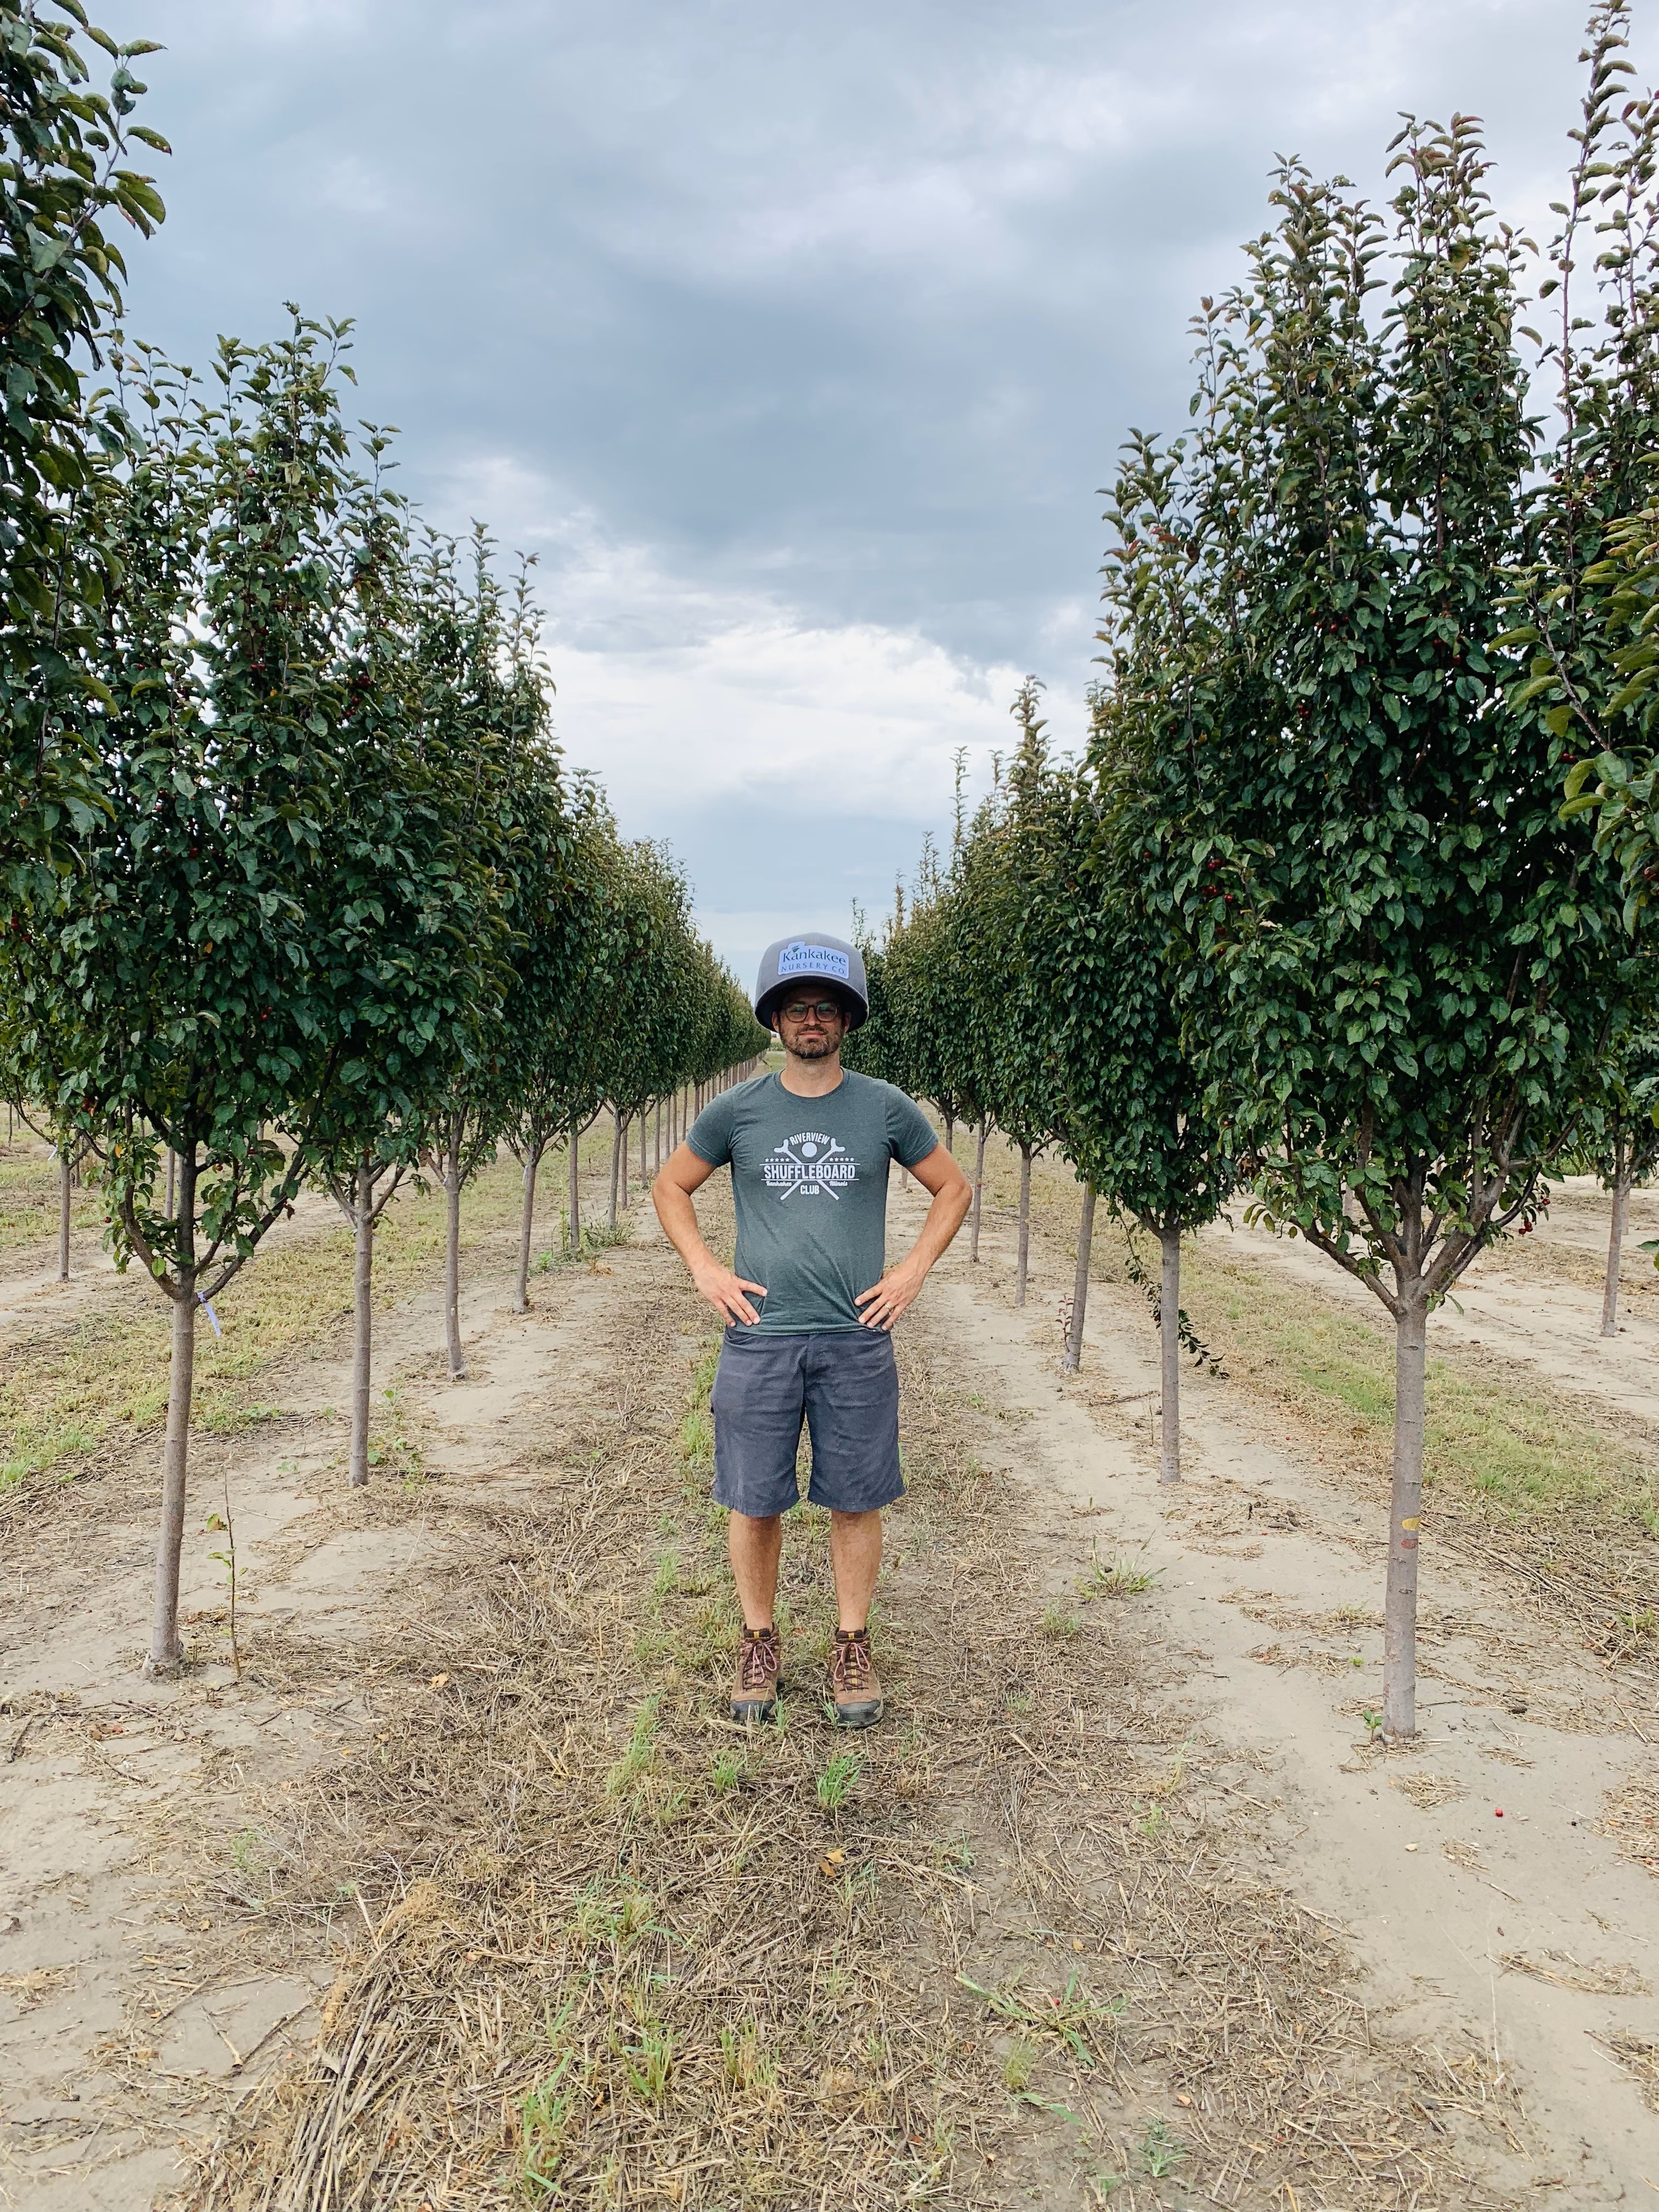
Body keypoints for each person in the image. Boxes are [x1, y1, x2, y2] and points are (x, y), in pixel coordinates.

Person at [652, 932, 971, 1728]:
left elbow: (953, 1189)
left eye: (827, 1008)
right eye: (797, 1008)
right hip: (760, 1337)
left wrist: (911, 1272)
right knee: (754, 1501)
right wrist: (705, 1269)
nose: (812, 1020)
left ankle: (851, 1646)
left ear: (848, 1019)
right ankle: (759, 1643)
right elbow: (670, 1185)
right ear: (775, 1019)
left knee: (855, 1499)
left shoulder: (885, 1107)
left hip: (856, 1339)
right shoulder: (739, 1110)